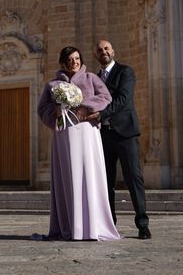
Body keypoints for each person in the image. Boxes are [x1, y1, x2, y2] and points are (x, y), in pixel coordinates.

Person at [37, 46, 120, 241]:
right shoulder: (53, 85)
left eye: (77, 58)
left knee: (89, 175)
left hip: (86, 134)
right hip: (64, 136)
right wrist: (55, 112)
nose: (74, 62)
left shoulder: (92, 78)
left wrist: (86, 106)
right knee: (68, 176)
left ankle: (92, 226)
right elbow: (42, 108)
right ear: (62, 62)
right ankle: (70, 226)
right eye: (69, 59)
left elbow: (106, 97)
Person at [94, 39, 151, 239]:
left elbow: (123, 99)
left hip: (125, 134)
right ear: (96, 54)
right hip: (103, 136)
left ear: (113, 51)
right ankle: (111, 225)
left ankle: (143, 224)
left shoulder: (125, 72)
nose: (103, 52)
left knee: (133, 178)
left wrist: (101, 113)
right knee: (106, 182)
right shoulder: (94, 78)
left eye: (106, 48)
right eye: (100, 50)